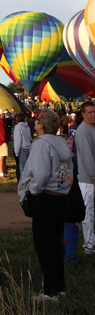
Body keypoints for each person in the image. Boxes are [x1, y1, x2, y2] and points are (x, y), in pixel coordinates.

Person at [17, 109, 74, 302]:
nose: (35, 123)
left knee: (43, 245)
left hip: (45, 199)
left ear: (41, 125)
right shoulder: (61, 143)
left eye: (37, 121)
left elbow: (39, 174)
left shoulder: (41, 145)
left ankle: (49, 292)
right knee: (55, 243)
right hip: (61, 196)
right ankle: (60, 287)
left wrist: (33, 192)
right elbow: (65, 172)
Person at [74, 101, 95, 255]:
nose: (93, 115)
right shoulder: (83, 131)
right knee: (89, 213)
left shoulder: (92, 128)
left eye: (94, 112)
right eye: (89, 112)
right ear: (82, 114)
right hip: (88, 180)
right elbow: (87, 158)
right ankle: (89, 246)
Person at [13, 113, 32, 179]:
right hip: (28, 147)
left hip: (22, 148)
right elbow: (30, 138)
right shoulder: (27, 127)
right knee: (28, 168)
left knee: (22, 168)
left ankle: (23, 185)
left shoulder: (18, 127)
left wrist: (17, 152)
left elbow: (18, 140)